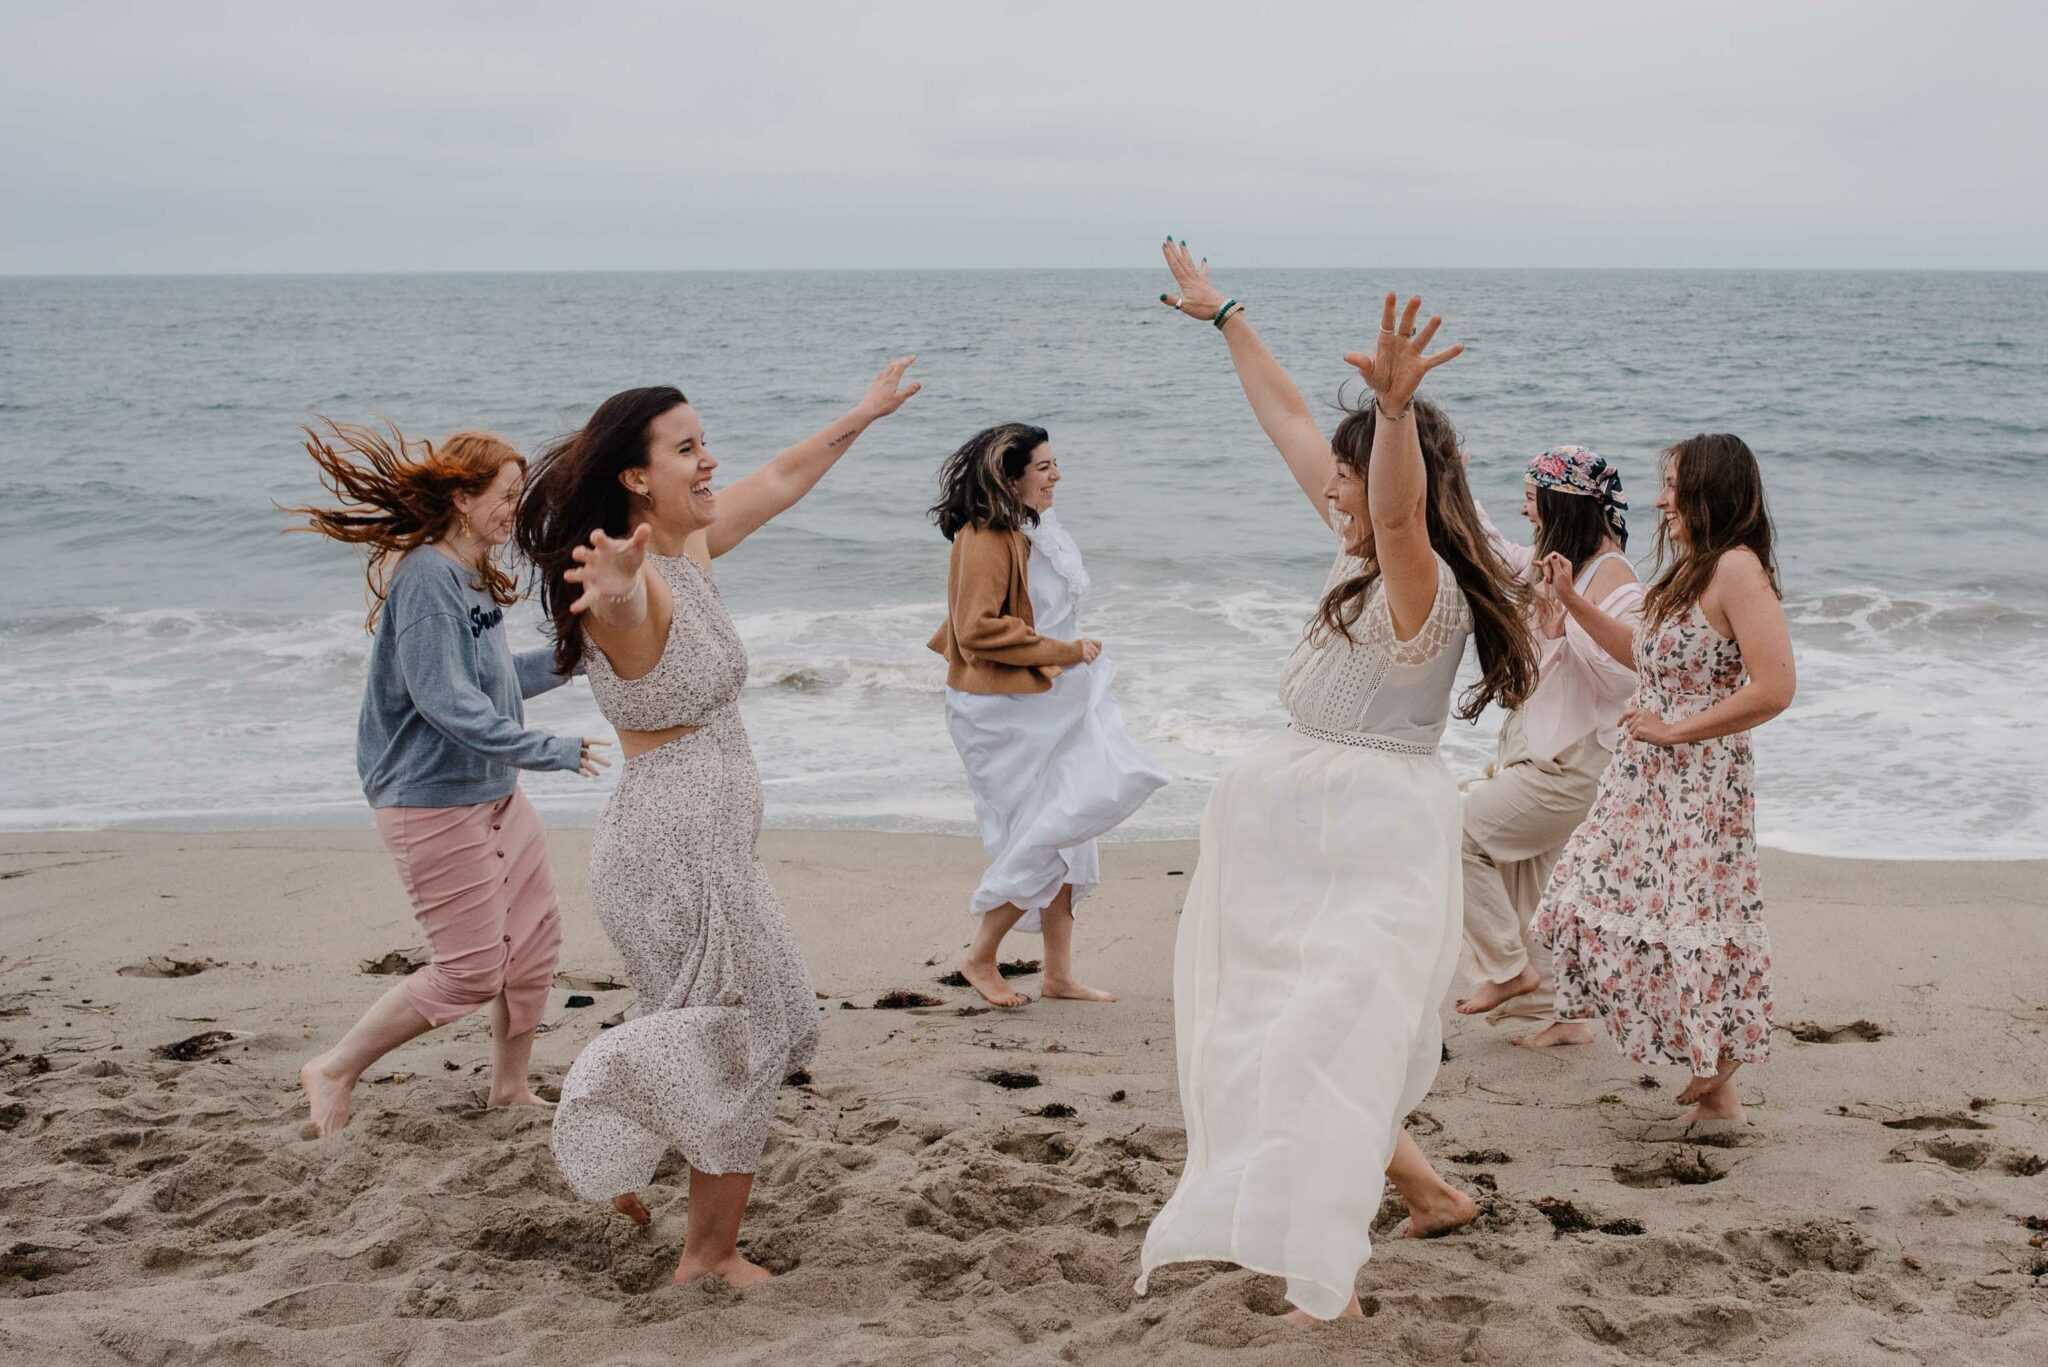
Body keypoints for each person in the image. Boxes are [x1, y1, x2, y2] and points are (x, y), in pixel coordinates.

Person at [1136, 241, 1538, 1323]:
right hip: (1287, 838)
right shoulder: (1349, 544)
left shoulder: (1421, 581)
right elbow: (1284, 420)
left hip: (1365, 837)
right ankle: (1432, 1192)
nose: (1331, 479)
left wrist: (1397, 415)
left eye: (1349, 468)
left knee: (1312, 1045)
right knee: (1268, 1031)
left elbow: (1403, 512)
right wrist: (1224, 316)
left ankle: (1328, 1279)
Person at [513, 359, 920, 1288]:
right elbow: (619, 612)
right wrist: (614, 584)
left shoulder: (685, 554)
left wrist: (860, 413)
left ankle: (633, 1151)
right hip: (673, 855)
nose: (709, 461)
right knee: (747, 1030)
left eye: (705, 443)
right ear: (634, 474)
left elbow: (778, 479)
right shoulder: (637, 582)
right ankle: (705, 1249)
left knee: (716, 1027)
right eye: (686, 448)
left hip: (700, 849)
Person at [286, 422, 608, 1138]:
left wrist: (579, 654)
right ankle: (334, 1067)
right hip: (430, 800)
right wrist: (544, 748)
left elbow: (494, 679)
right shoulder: (429, 577)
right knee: (467, 971)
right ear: (463, 497)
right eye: (505, 494)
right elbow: (447, 700)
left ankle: (510, 1087)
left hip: (490, 791)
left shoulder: (468, 577)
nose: (513, 510)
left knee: (532, 944)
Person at [1533, 433, 1795, 1124]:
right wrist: (1573, 602)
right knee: (1576, 899)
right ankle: (1717, 1081)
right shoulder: (1691, 569)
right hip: (1645, 774)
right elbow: (1645, 656)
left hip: (1702, 779)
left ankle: (1720, 1069)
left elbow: (1775, 686)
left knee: (1693, 920)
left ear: (1709, 489)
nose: (1659, 500)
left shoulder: (1738, 568)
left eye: (1673, 485)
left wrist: (1679, 729)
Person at [927, 423, 1167, 1007]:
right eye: (1043, 466)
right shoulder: (984, 537)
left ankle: (1057, 973)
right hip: (1004, 712)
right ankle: (980, 957)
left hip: (1052, 700)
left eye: (1055, 464)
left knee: (1072, 824)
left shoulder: (1031, 527)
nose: (1056, 475)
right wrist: (1064, 652)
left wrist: (1069, 659)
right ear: (1010, 477)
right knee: (1049, 828)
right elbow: (976, 629)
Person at [1454, 447, 1642, 1038]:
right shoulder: (1560, 563)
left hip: (1574, 765)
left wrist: (1571, 618)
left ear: (1563, 505)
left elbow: (1630, 672)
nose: (1523, 510)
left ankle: (1510, 972)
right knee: (1525, 880)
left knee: (1451, 833)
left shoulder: (1613, 576)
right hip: (1544, 755)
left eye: (1532, 500)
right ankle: (1556, 1013)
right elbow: (1498, 555)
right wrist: (1452, 484)